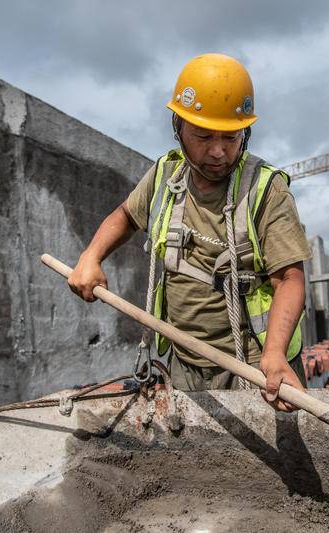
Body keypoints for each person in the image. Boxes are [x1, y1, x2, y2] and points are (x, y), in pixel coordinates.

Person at [67, 53, 311, 412]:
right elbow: (125, 215)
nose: (218, 151)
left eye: (230, 137)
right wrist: (91, 256)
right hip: (185, 363)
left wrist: (275, 355)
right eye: (202, 135)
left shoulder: (265, 189)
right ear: (177, 126)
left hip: (257, 368)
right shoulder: (166, 177)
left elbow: (289, 278)